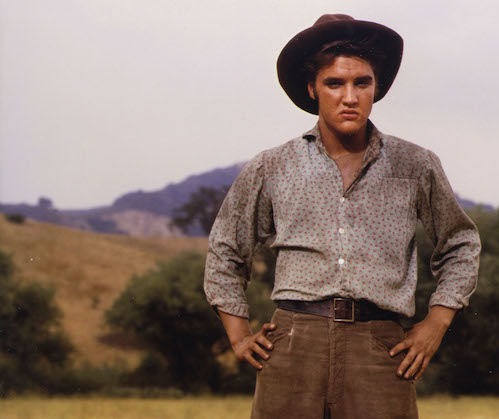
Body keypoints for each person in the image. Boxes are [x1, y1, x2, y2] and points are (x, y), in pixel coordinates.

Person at [204, 14, 481, 419]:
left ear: (376, 87)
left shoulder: (415, 164)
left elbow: (460, 243)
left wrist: (436, 322)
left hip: (381, 348)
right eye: (335, 83)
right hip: (294, 343)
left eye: (361, 83)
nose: (349, 97)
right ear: (313, 88)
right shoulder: (273, 166)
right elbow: (226, 248)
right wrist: (239, 334)